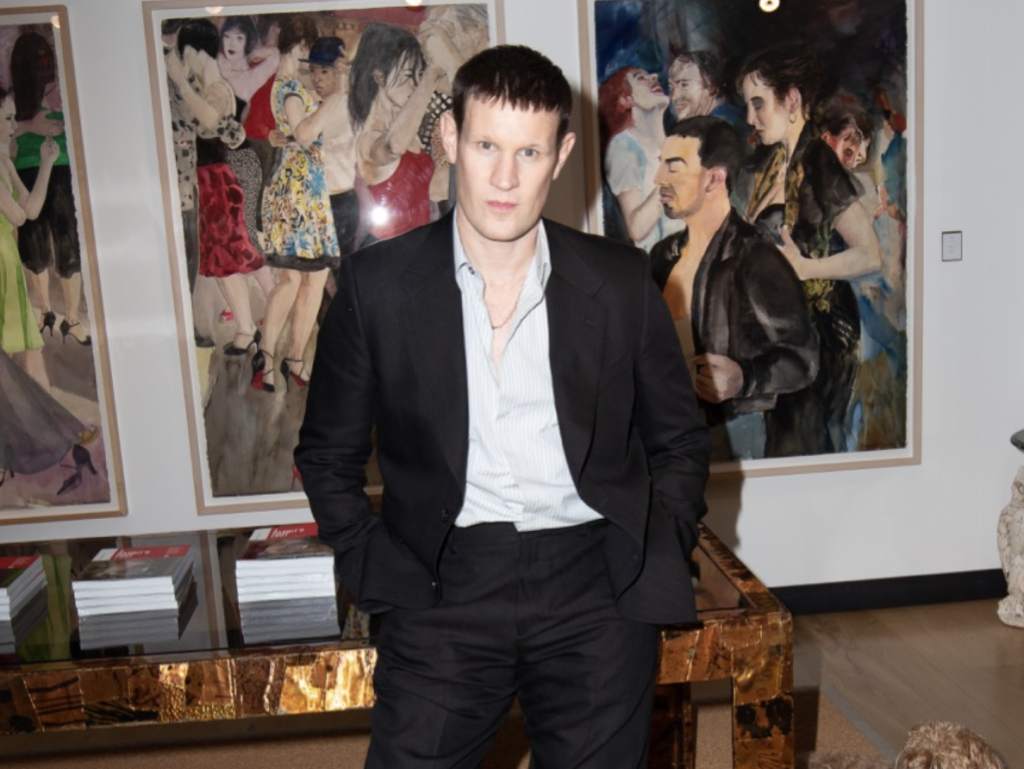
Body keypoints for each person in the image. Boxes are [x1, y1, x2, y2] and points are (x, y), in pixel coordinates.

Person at [295, 44, 711, 769]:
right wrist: (377, 568)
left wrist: (655, 547)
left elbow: (679, 440)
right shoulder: (376, 286)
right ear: (451, 137)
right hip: (443, 579)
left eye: (529, 152)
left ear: (562, 155)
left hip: (593, 581)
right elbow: (326, 456)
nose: (506, 178)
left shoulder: (619, 281)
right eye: (487, 146)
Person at [737, 42, 882, 456]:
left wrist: (804, 269)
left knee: (799, 447)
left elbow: (870, 254)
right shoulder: (772, 164)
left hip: (819, 339)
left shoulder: (818, 160)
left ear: (792, 100)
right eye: (747, 105)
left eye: (758, 103)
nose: (750, 118)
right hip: (783, 335)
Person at [650, 116, 818, 460]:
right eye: (661, 164)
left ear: (715, 178)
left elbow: (804, 358)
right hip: (667, 434)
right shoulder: (662, 256)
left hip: (735, 434)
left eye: (674, 167)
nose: (659, 178)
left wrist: (745, 378)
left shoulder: (755, 257)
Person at [348, 22, 446, 244]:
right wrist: (430, 77)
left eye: (419, 75)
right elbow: (394, 146)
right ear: (380, 77)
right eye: (408, 75)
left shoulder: (409, 129)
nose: (415, 84)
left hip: (417, 249)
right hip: (386, 251)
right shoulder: (369, 138)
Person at [598, 66, 684, 252]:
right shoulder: (623, 146)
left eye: (650, 74)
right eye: (640, 78)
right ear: (627, 99)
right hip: (659, 262)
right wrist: (669, 179)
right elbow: (637, 230)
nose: (654, 76)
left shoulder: (678, 142)